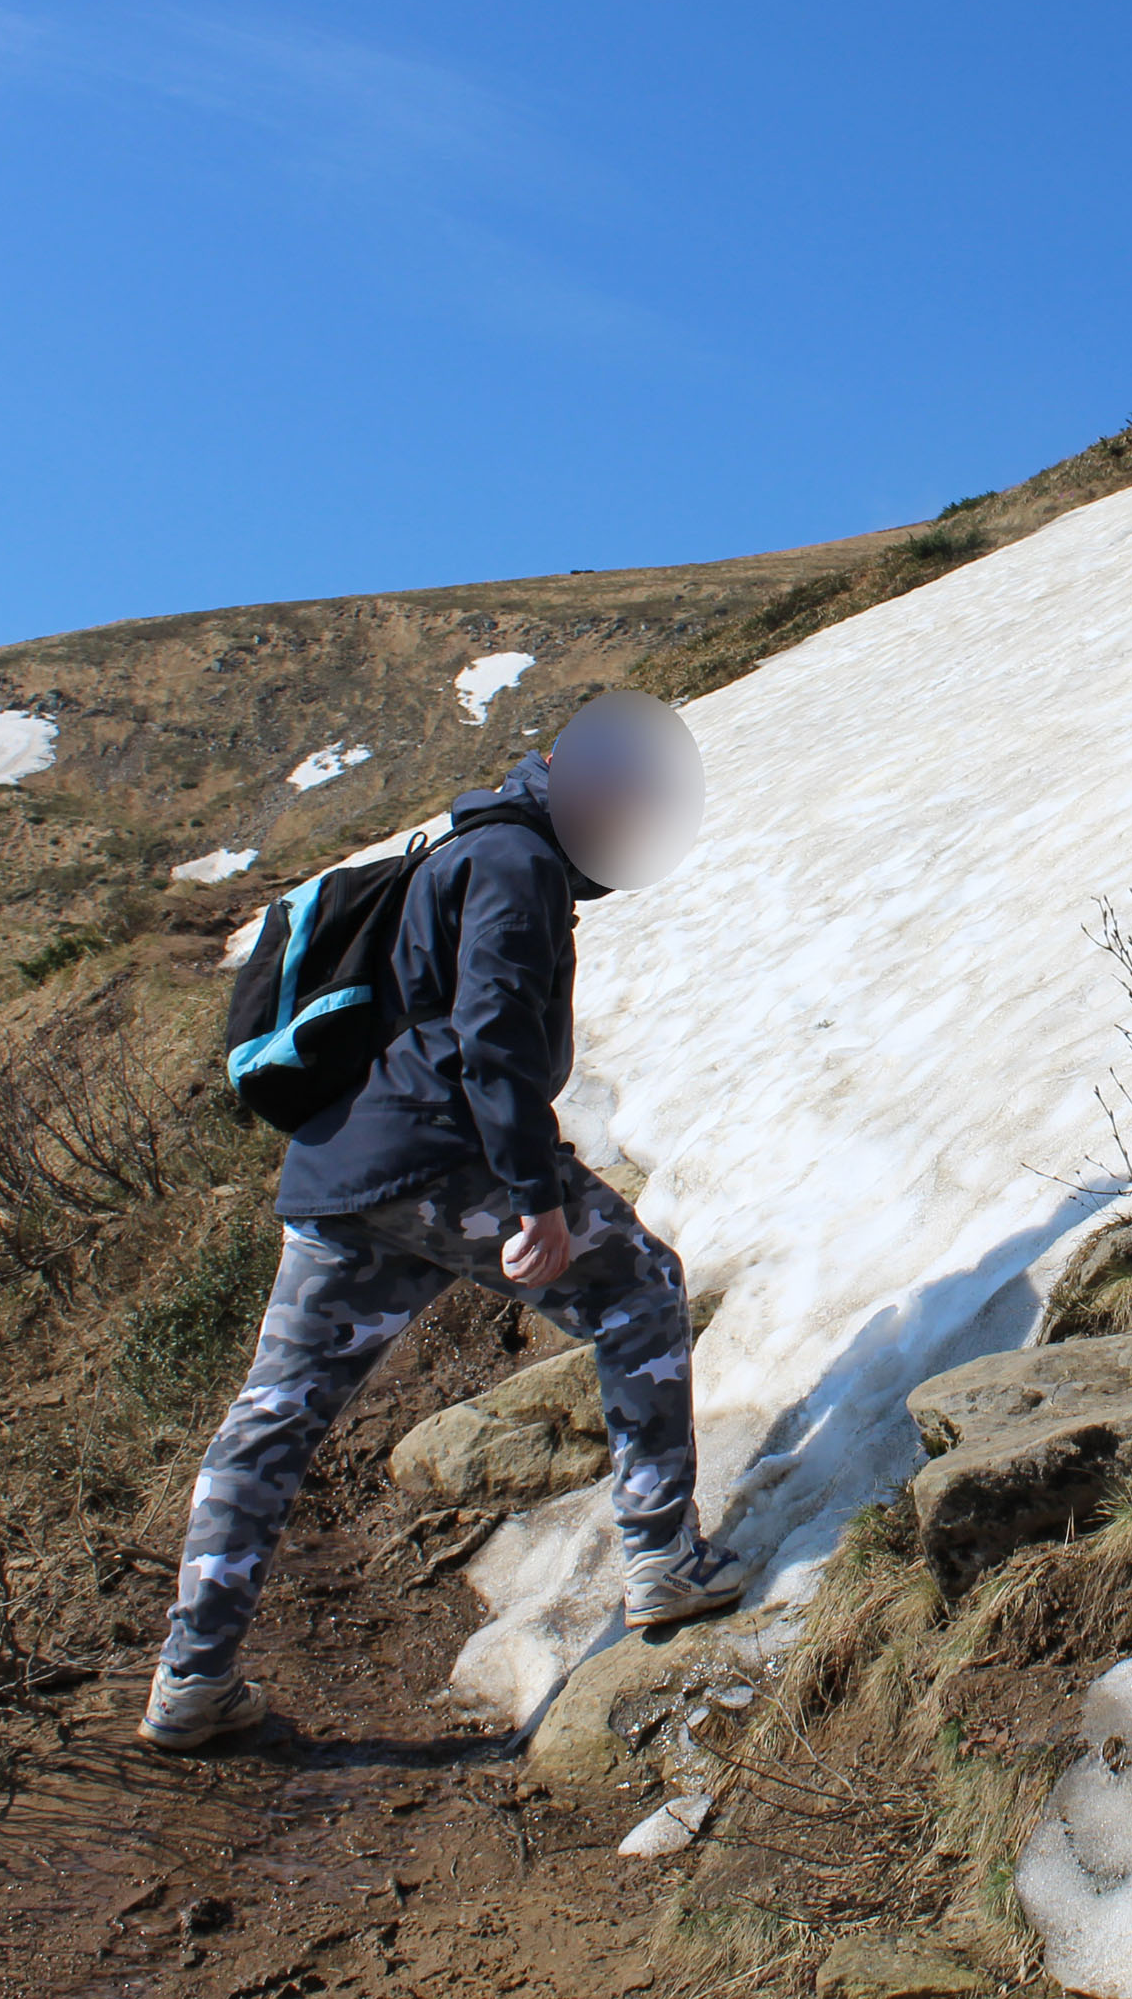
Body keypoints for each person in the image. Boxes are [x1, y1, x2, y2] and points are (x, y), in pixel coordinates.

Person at [139, 730, 743, 1753]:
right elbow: (492, 1035)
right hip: (442, 1154)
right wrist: (534, 1198)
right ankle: (662, 1558)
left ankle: (192, 1677)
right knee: (640, 1291)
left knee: (274, 1415)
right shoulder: (515, 859)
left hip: (339, 1175)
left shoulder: (466, 846)